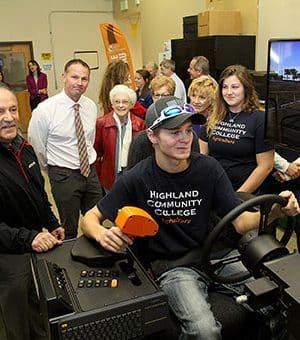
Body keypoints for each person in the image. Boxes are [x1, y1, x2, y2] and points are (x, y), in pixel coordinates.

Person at [81, 96, 299, 340]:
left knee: (278, 303)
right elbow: (90, 218)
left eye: (187, 131)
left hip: (218, 257)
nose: (185, 139)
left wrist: (278, 211)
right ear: (153, 137)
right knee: (204, 331)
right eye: (174, 132)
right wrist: (102, 233)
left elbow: (242, 222)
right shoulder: (137, 177)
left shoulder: (209, 168)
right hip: (175, 267)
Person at [0, 82, 64, 340]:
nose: (8, 118)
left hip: (34, 247)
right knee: (16, 324)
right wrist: (29, 238)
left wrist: (52, 222)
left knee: (41, 313)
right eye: (0, 112)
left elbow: (38, 192)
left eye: (13, 109)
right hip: (7, 256)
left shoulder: (23, 148)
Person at [28, 59, 102, 239]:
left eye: (84, 78)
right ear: (63, 77)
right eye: (74, 77)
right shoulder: (45, 110)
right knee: (68, 228)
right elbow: (37, 145)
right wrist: (51, 169)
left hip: (90, 172)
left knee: (97, 220)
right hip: (63, 175)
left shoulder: (90, 106)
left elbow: (88, 140)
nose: (79, 82)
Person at [199, 64, 274, 194]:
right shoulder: (214, 116)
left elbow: (265, 166)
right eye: (225, 87)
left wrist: (237, 197)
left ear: (246, 89)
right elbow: (201, 157)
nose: (229, 92)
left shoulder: (260, 119)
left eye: (235, 87)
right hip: (213, 189)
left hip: (243, 194)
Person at [94, 84, 145, 192]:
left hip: (132, 174)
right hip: (110, 176)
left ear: (131, 104)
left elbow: (142, 154)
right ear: (112, 104)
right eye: (117, 102)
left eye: (125, 102)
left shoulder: (140, 124)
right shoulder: (102, 123)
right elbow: (97, 153)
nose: (121, 105)